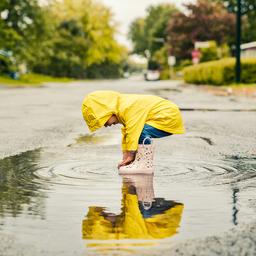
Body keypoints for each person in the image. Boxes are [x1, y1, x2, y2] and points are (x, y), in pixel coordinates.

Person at [82, 90, 184, 174]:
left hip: (167, 116)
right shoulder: (121, 108)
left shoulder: (126, 107)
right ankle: (139, 161)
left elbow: (133, 131)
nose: (105, 125)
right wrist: (126, 156)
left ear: (107, 111)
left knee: (139, 132)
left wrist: (131, 155)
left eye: (103, 121)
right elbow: (127, 133)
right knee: (135, 133)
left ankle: (144, 164)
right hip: (163, 115)